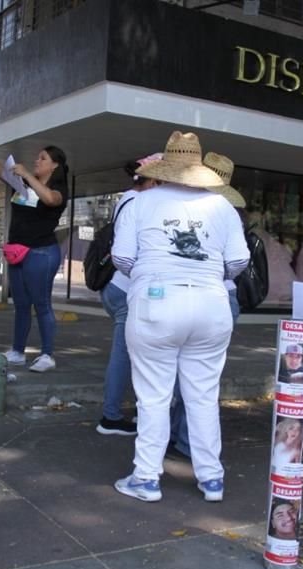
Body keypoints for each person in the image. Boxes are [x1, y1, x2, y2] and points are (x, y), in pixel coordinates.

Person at [111, 131, 250, 503]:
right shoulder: (222, 207)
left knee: (154, 396)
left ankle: (146, 478)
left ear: (165, 167)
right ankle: (212, 479)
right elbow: (238, 262)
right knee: (203, 396)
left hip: (156, 302)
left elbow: (121, 259)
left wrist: (155, 272)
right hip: (211, 304)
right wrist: (205, 275)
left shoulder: (141, 203)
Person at [168, 152, 245, 459]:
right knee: (196, 376)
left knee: (190, 377)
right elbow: (236, 262)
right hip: (219, 297)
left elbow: (234, 262)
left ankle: (184, 439)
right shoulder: (226, 213)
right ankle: (180, 436)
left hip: (208, 295)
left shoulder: (205, 212)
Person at [96, 154, 161, 436]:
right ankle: (110, 417)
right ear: (155, 180)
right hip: (126, 288)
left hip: (116, 286)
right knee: (124, 354)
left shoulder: (127, 198)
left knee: (134, 353)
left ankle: (130, 410)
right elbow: (128, 253)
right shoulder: (141, 203)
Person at [0, 146, 69, 373]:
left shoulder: (58, 188)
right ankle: (18, 351)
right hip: (17, 250)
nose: (37, 161)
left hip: (41, 252)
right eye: (37, 157)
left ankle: (47, 354)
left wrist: (28, 174)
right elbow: (0, 171)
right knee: (21, 304)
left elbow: (50, 199)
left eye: (42, 158)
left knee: (42, 304)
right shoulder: (24, 185)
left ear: (55, 165)